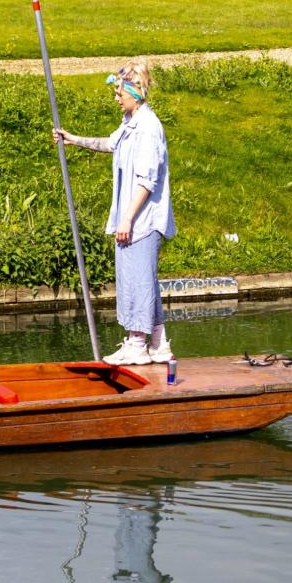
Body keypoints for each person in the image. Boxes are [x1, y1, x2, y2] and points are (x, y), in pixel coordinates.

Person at [54, 59, 176, 365]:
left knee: (137, 280)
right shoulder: (130, 122)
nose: (115, 97)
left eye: (119, 92)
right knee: (142, 279)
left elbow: (147, 180)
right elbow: (111, 144)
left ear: (135, 93)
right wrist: (74, 140)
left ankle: (137, 344)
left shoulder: (148, 128)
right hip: (133, 218)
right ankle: (158, 344)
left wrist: (127, 218)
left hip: (142, 220)